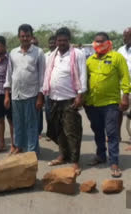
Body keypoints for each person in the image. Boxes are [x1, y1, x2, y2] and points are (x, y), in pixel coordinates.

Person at [84, 32, 130, 178]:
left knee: (112, 132)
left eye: (101, 41)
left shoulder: (117, 57)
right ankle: (100, 155)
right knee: (97, 131)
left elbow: (125, 77)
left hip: (110, 103)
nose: (98, 44)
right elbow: (85, 80)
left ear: (108, 43)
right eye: (96, 42)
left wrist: (125, 97)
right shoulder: (90, 60)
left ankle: (114, 161)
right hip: (92, 102)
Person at [43, 27, 87, 174]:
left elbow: (82, 75)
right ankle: (63, 154)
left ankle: (75, 161)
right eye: (59, 40)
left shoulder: (77, 54)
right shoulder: (51, 55)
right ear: (56, 41)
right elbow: (47, 75)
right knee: (58, 130)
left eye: (64, 40)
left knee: (72, 132)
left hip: (69, 99)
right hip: (53, 98)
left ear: (69, 40)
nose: (61, 43)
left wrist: (80, 95)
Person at [4, 24, 45, 155]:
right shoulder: (13, 53)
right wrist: (6, 94)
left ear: (31, 37)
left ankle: (32, 150)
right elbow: (9, 74)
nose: (25, 38)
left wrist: (40, 96)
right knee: (18, 123)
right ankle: (19, 147)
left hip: (32, 95)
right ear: (18, 37)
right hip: (16, 95)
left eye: (27, 36)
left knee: (31, 124)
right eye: (22, 36)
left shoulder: (38, 52)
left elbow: (42, 76)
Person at [118, 27, 131, 147]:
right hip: (122, 87)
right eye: (124, 35)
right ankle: (116, 135)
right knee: (118, 111)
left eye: (127, 35)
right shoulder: (121, 50)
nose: (124, 38)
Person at [44, 35, 57, 141]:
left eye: (54, 42)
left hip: (59, 90)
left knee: (58, 113)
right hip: (48, 90)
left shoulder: (61, 55)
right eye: (50, 43)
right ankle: (50, 132)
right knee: (48, 113)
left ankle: (58, 133)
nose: (52, 44)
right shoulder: (45, 56)